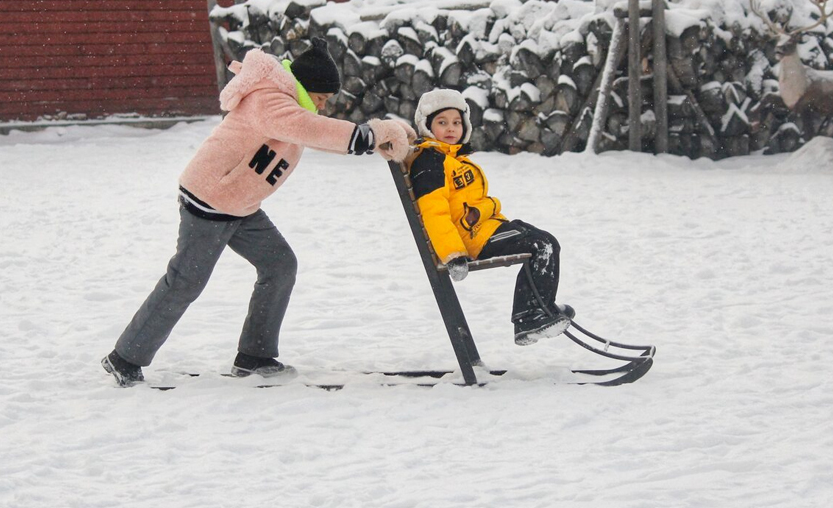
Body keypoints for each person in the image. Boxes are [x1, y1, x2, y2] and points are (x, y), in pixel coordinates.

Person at [102, 38, 415, 387]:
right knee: (186, 280)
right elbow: (310, 129)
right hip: (210, 198)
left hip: (240, 204)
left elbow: (315, 133)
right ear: (305, 88)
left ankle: (255, 356)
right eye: (322, 99)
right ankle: (125, 357)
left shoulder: (289, 106)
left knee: (279, 265)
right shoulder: (270, 100)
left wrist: (376, 141)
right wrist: (369, 136)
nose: (322, 107)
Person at [408, 89, 573, 346]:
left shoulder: (452, 158)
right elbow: (434, 212)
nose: (451, 128)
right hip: (473, 238)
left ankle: (539, 309)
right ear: (427, 126)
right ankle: (528, 317)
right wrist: (453, 255)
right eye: (442, 123)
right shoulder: (431, 162)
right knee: (544, 245)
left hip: (488, 227)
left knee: (544, 240)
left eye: (456, 122)